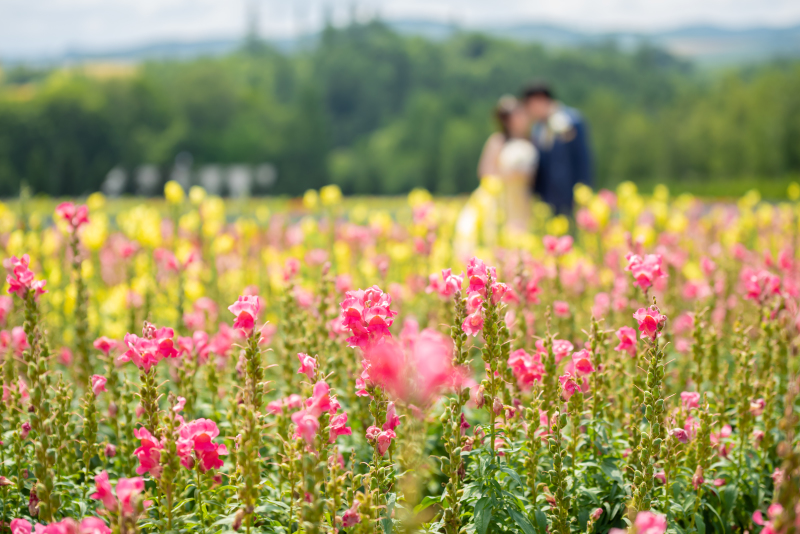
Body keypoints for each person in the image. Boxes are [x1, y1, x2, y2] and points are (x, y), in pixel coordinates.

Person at [454, 96, 537, 258]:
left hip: (521, 197)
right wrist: (509, 177)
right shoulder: (497, 141)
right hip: (500, 196)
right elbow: (484, 171)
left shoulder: (531, 140)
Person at [522, 82, 593, 216]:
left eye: (529, 105)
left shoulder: (573, 120)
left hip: (570, 196)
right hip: (547, 199)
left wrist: (584, 194)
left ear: (540, 100)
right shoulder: (537, 128)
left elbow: (583, 160)